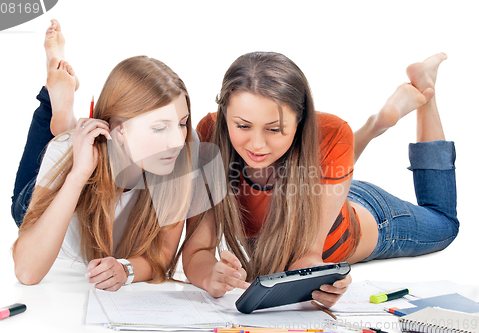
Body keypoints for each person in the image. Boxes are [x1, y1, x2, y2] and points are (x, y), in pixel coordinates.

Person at [182, 51, 458, 308]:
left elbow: (307, 254)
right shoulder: (210, 135)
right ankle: (375, 126)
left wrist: (318, 280)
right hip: (330, 184)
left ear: (300, 122)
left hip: (373, 217)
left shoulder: (329, 131)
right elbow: (197, 249)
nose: (256, 144)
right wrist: (209, 276)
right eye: (242, 125)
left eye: (274, 129)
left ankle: (427, 96)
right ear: (225, 115)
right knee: (326, 155)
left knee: (445, 224)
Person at [11, 20, 197, 291]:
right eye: (159, 128)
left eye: (182, 123)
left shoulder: (183, 155)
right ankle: (56, 105)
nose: (177, 141)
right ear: (120, 132)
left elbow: (162, 256)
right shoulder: (68, 155)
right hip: (45, 199)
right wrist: (78, 175)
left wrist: (126, 270)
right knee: (30, 192)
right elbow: (27, 272)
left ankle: (69, 123)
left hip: (95, 148)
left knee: (67, 139)